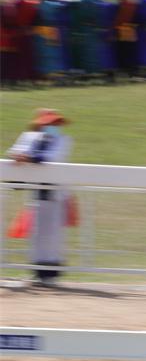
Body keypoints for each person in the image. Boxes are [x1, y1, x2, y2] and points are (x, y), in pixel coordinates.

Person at [6, 109, 73, 286]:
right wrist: (22, 157)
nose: (55, 127)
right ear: (41, 124)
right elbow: (14, 153)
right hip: (36, 191)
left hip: (55, 191)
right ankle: (39, 272)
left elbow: (52, 158)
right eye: (51, 124)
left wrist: (27, 158)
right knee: (37, 232)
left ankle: (51, 274)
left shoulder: (64, 140)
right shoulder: (29, 137)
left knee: (53, 233)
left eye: (57, 124)